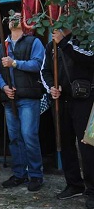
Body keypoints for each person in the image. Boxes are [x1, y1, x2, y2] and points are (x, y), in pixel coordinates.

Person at [41, 28, 94, 208]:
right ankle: (74, 184)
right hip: (61, 101)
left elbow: (89, 60)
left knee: (87, 146)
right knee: (65, 144)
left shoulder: (84, 39)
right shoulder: (50, 46)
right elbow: (45, 71)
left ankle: (92, 189)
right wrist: (51, 88)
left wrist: (64, 43)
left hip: (84, 100)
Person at [0, 11, 45, 191]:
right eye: (11, 18)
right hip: (10, 99)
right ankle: (19, 174)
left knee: (29, 136)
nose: (13, 20)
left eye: (17, 17)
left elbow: (39, 64)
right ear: (8, 24)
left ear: (23, 22)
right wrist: (4, 87)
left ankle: (36, 176)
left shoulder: (33, 42)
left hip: (29, 98)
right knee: (15, 138)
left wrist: (15, 63)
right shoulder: (2, 46)